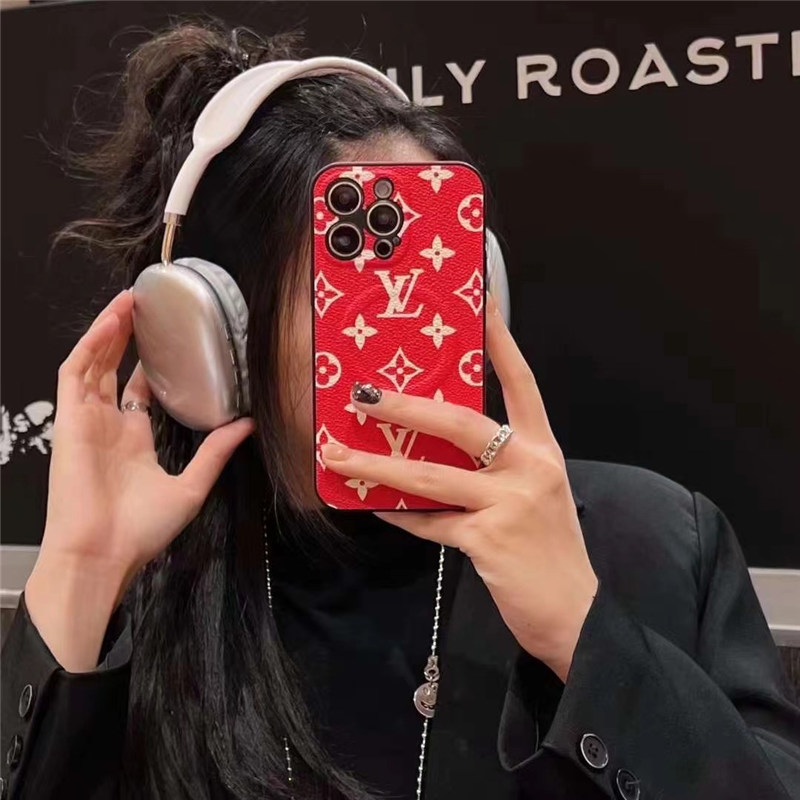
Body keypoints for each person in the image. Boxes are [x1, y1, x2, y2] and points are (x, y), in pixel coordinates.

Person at [2, 17, 799, 800]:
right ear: (215, 335)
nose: (406, 318)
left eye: (435, 272)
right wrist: (80, 573)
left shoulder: (662, 545)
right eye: (348, 278)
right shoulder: (150, 599)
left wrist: (588, 641)